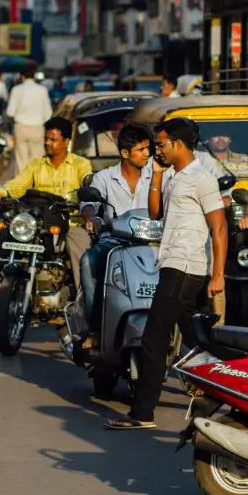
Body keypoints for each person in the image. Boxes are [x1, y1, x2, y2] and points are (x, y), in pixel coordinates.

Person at [104, 118, 227, 430]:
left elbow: (220, 227)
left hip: (185, 267)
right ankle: (232, 388)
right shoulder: (174, 175)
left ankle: (142, 413)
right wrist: (157, 176)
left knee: (154, 339)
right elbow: (156, 213)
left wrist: (218, 274)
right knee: (196, 338)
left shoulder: (202, 178)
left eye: (161, 145)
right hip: (171, 263)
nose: (156, 150)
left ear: (179, 144)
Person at [79, 124, 173, 348]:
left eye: (147, 148)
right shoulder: (104, 177)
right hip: (115, 242)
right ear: (124, 153)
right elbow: (88, 203)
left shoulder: (158, 174)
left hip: (153, 241)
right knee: (88, 261)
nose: (147, 154)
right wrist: (91, 218)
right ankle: (94, 328)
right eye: (141, 150)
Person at [0, 118, 94, 288]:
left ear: (66, 141)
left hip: (70, 223)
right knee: (7, 234)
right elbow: (19, 183)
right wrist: (1, 192)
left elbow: (87, 181)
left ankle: (82, 300)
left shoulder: (80, 164)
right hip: (39, 224)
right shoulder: (36, 165)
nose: (47, 143)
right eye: (46, 139)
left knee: (83, 256)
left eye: (53, 139)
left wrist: (89, 188)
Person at [7, 69, 53, 172]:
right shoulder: (42, 90)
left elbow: (10, 112)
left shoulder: (16, 89)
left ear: (22, 77)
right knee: (37, 157)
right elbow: (48, 114)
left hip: (20, 127)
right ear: (34, 77)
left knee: (21, 158)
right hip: (37, 127)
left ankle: (22, 184)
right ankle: (35, 182)